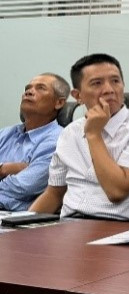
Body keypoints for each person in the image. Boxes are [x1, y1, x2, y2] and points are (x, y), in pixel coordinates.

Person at [30, 53, 129, 221]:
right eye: (97, 83)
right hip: (68, 225)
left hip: (118, 227)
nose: (109, 89)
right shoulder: (70, 132)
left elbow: (117, 191)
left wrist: (93, 134)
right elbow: (54, 193)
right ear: (78, 96)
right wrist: (17, 223)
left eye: (115, 81)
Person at [0, 74, 70, 211]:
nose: (29, 92)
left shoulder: (59, 139)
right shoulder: (5, 134)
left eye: (41, 88)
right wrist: (6, 169)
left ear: (59, 103)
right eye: (27, 88)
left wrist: (3, 170)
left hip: (20, 218)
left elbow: (24, 186)